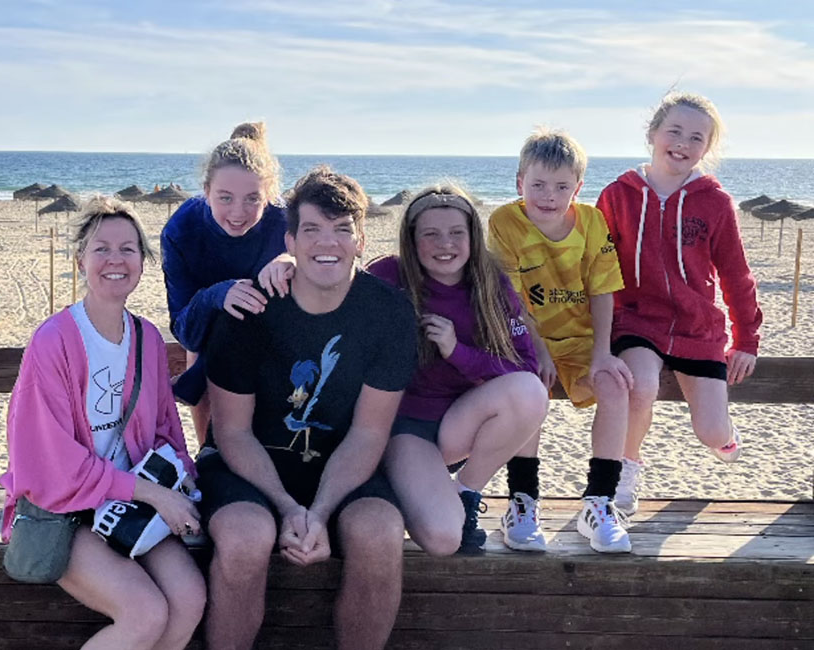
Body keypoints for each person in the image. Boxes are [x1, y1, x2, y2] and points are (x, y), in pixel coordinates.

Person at [197, 166, 417, 650]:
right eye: (313, 229)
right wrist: (286, 507)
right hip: (247, 465)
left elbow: (368, 435)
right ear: (290, 241)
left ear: (360, 240)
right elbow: (231, 432)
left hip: (343, 466)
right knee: (245, 538)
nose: (328, 243)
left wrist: (317, 512)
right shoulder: (250, 310)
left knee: (380, 533)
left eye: (342, 230)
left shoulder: (389, 314)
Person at [0, 197, 206, 649]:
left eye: (128, 249)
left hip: (128, 505)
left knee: (190, 598)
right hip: (66, 511)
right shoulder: (53, 340)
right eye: (102, 249)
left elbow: (165, 431)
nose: (115, 260)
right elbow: (49, 464)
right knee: (144, 614)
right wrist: (153, 494)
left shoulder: (148, 338)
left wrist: (182, 486)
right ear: (81, 259)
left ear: (143, 262)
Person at [596, 92, 763, 515]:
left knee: (709, 432)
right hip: (636, 322)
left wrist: (746, 339)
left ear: (707, 148)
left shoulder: (716, 202)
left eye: (696, 137)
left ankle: (725, 436)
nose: (683, 143)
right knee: (640, 386)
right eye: (674, 131)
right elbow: (593, 264)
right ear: (653, 134)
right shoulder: (618, 195)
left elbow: (736, 274)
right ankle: (626, 471)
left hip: (698, 328)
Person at [366, 185, 547, 555]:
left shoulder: (491, 283)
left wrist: (457, 351)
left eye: (456, 233)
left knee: (529, 391)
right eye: (430, 234)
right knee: (444, 539)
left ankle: (465, 493)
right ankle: (405, 487)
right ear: (412, 239)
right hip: (403, 429)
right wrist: (286, 264)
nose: (444, 244)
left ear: (472, 237)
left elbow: (524, 366)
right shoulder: (386, 276)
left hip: (458, 426)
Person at [488, 128, 634, 553]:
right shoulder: (505, 222)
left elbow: (603, 288)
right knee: (530, 389)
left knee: (616, 385)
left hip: (582, 338)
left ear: (578, 187)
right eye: (537, 185)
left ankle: (600, 501)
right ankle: (523, 501)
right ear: (519, 183)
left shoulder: (590, 222)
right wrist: (538, 348)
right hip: (523, 336)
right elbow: (510, 298)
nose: (548, 196)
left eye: (561, 187)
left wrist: (603, 353)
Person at [161, 121, 286, 446]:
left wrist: (294, 260)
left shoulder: (285, 224)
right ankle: (209, 455)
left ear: (269, 195)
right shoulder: (182, 230)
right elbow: (185, 331)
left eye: (252, 199)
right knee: (206, 346)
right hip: (204, 343)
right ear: (205, 192)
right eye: (225, 198)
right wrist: (218, 295)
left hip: (271, 339)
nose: (238, 212)